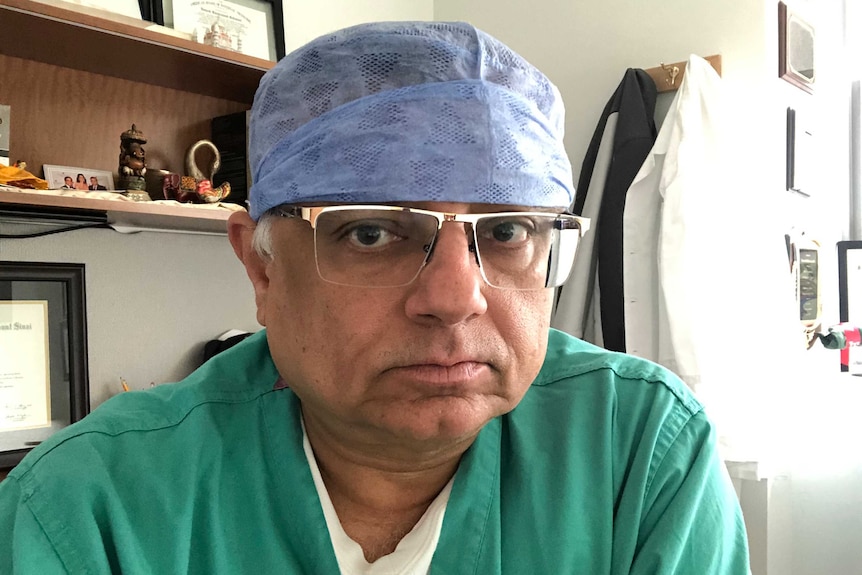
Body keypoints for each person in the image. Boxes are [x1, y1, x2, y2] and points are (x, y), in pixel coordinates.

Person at [0, 22, 750, 574]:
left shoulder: (641, 455)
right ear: (260, 269)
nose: (457, 299)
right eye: (370, 233)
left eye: (510, 229)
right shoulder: (89, 511)